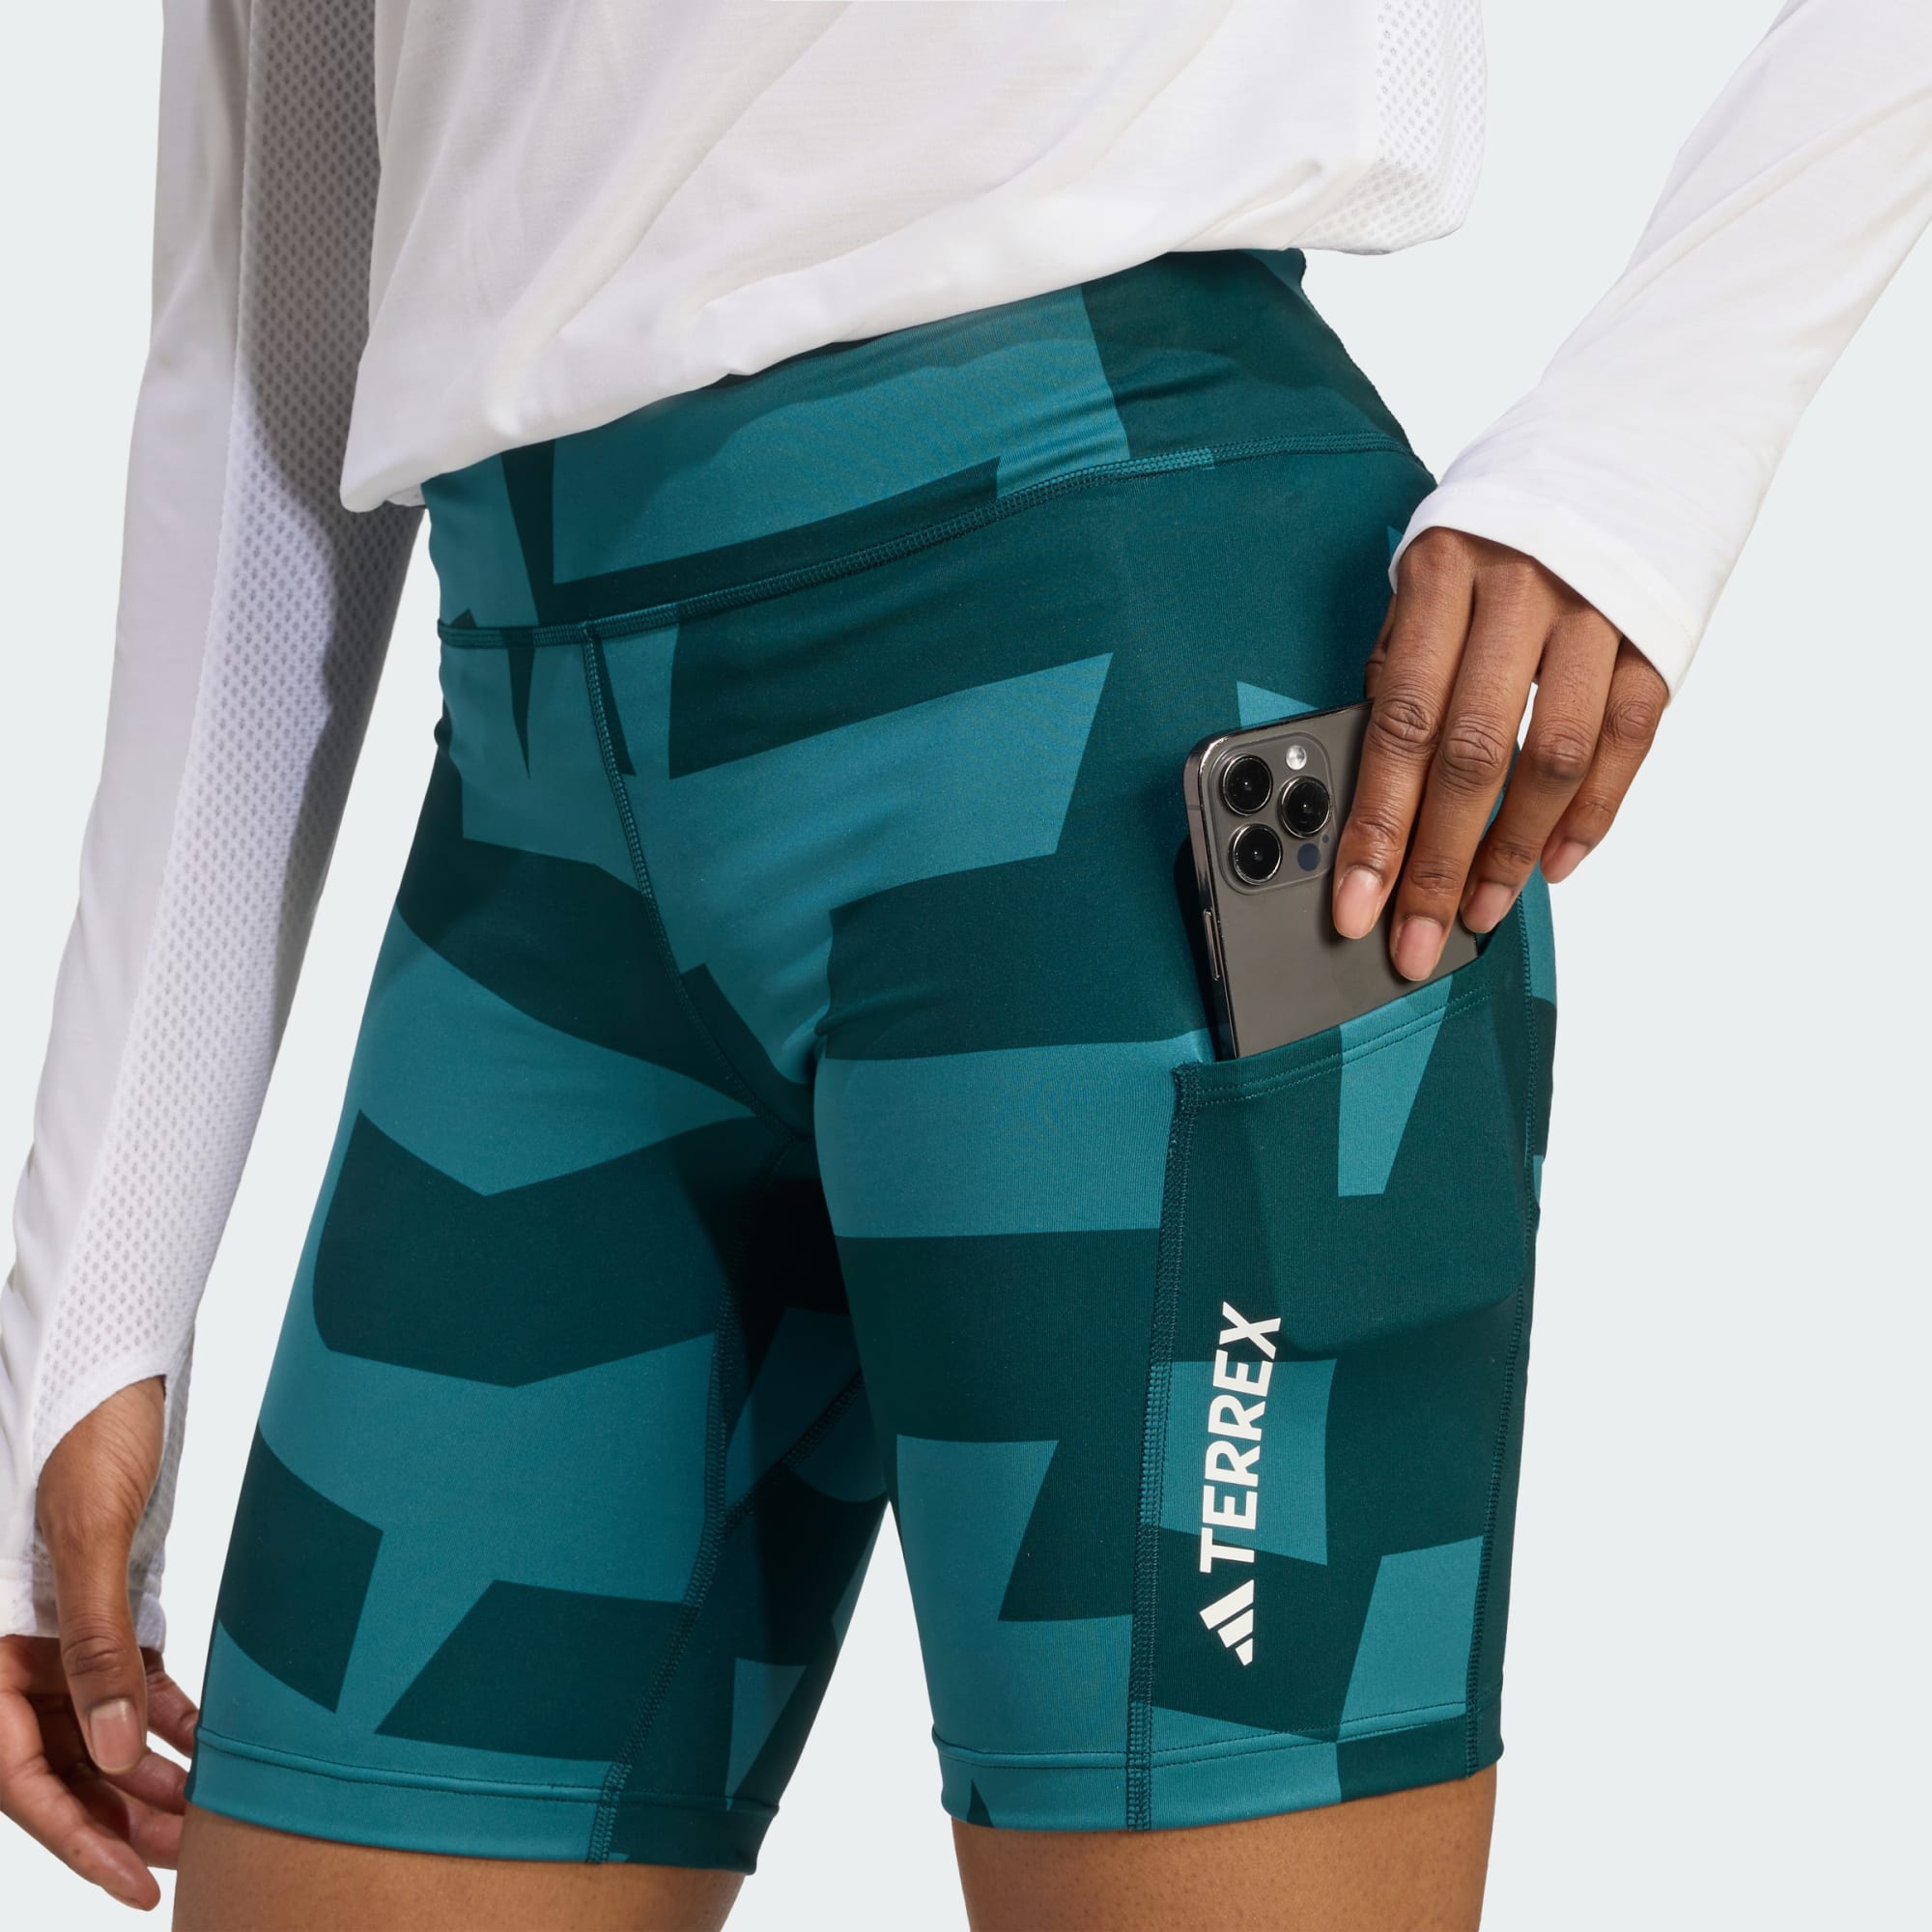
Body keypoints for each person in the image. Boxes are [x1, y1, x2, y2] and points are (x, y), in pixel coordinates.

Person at [0, 3, 1926, 1926]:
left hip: (1135, 747)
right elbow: (274, 319)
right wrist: (89, 1304)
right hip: (541, 836)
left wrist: (1642, 452)